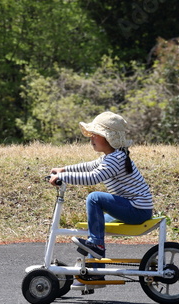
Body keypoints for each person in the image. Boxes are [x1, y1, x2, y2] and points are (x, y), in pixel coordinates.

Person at [49, 111, 153, 265]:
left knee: (94, 198)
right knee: (96, 224)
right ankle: (95, 267)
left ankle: (96, 246)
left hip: (137, 210)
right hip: (135, 207)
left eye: (95, 134)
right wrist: (64, 169)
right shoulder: (112, 156)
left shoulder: (115, 159)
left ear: (109, 137)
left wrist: (63, 177)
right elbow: (90, 166)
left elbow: (93, 177)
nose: (91, 137)